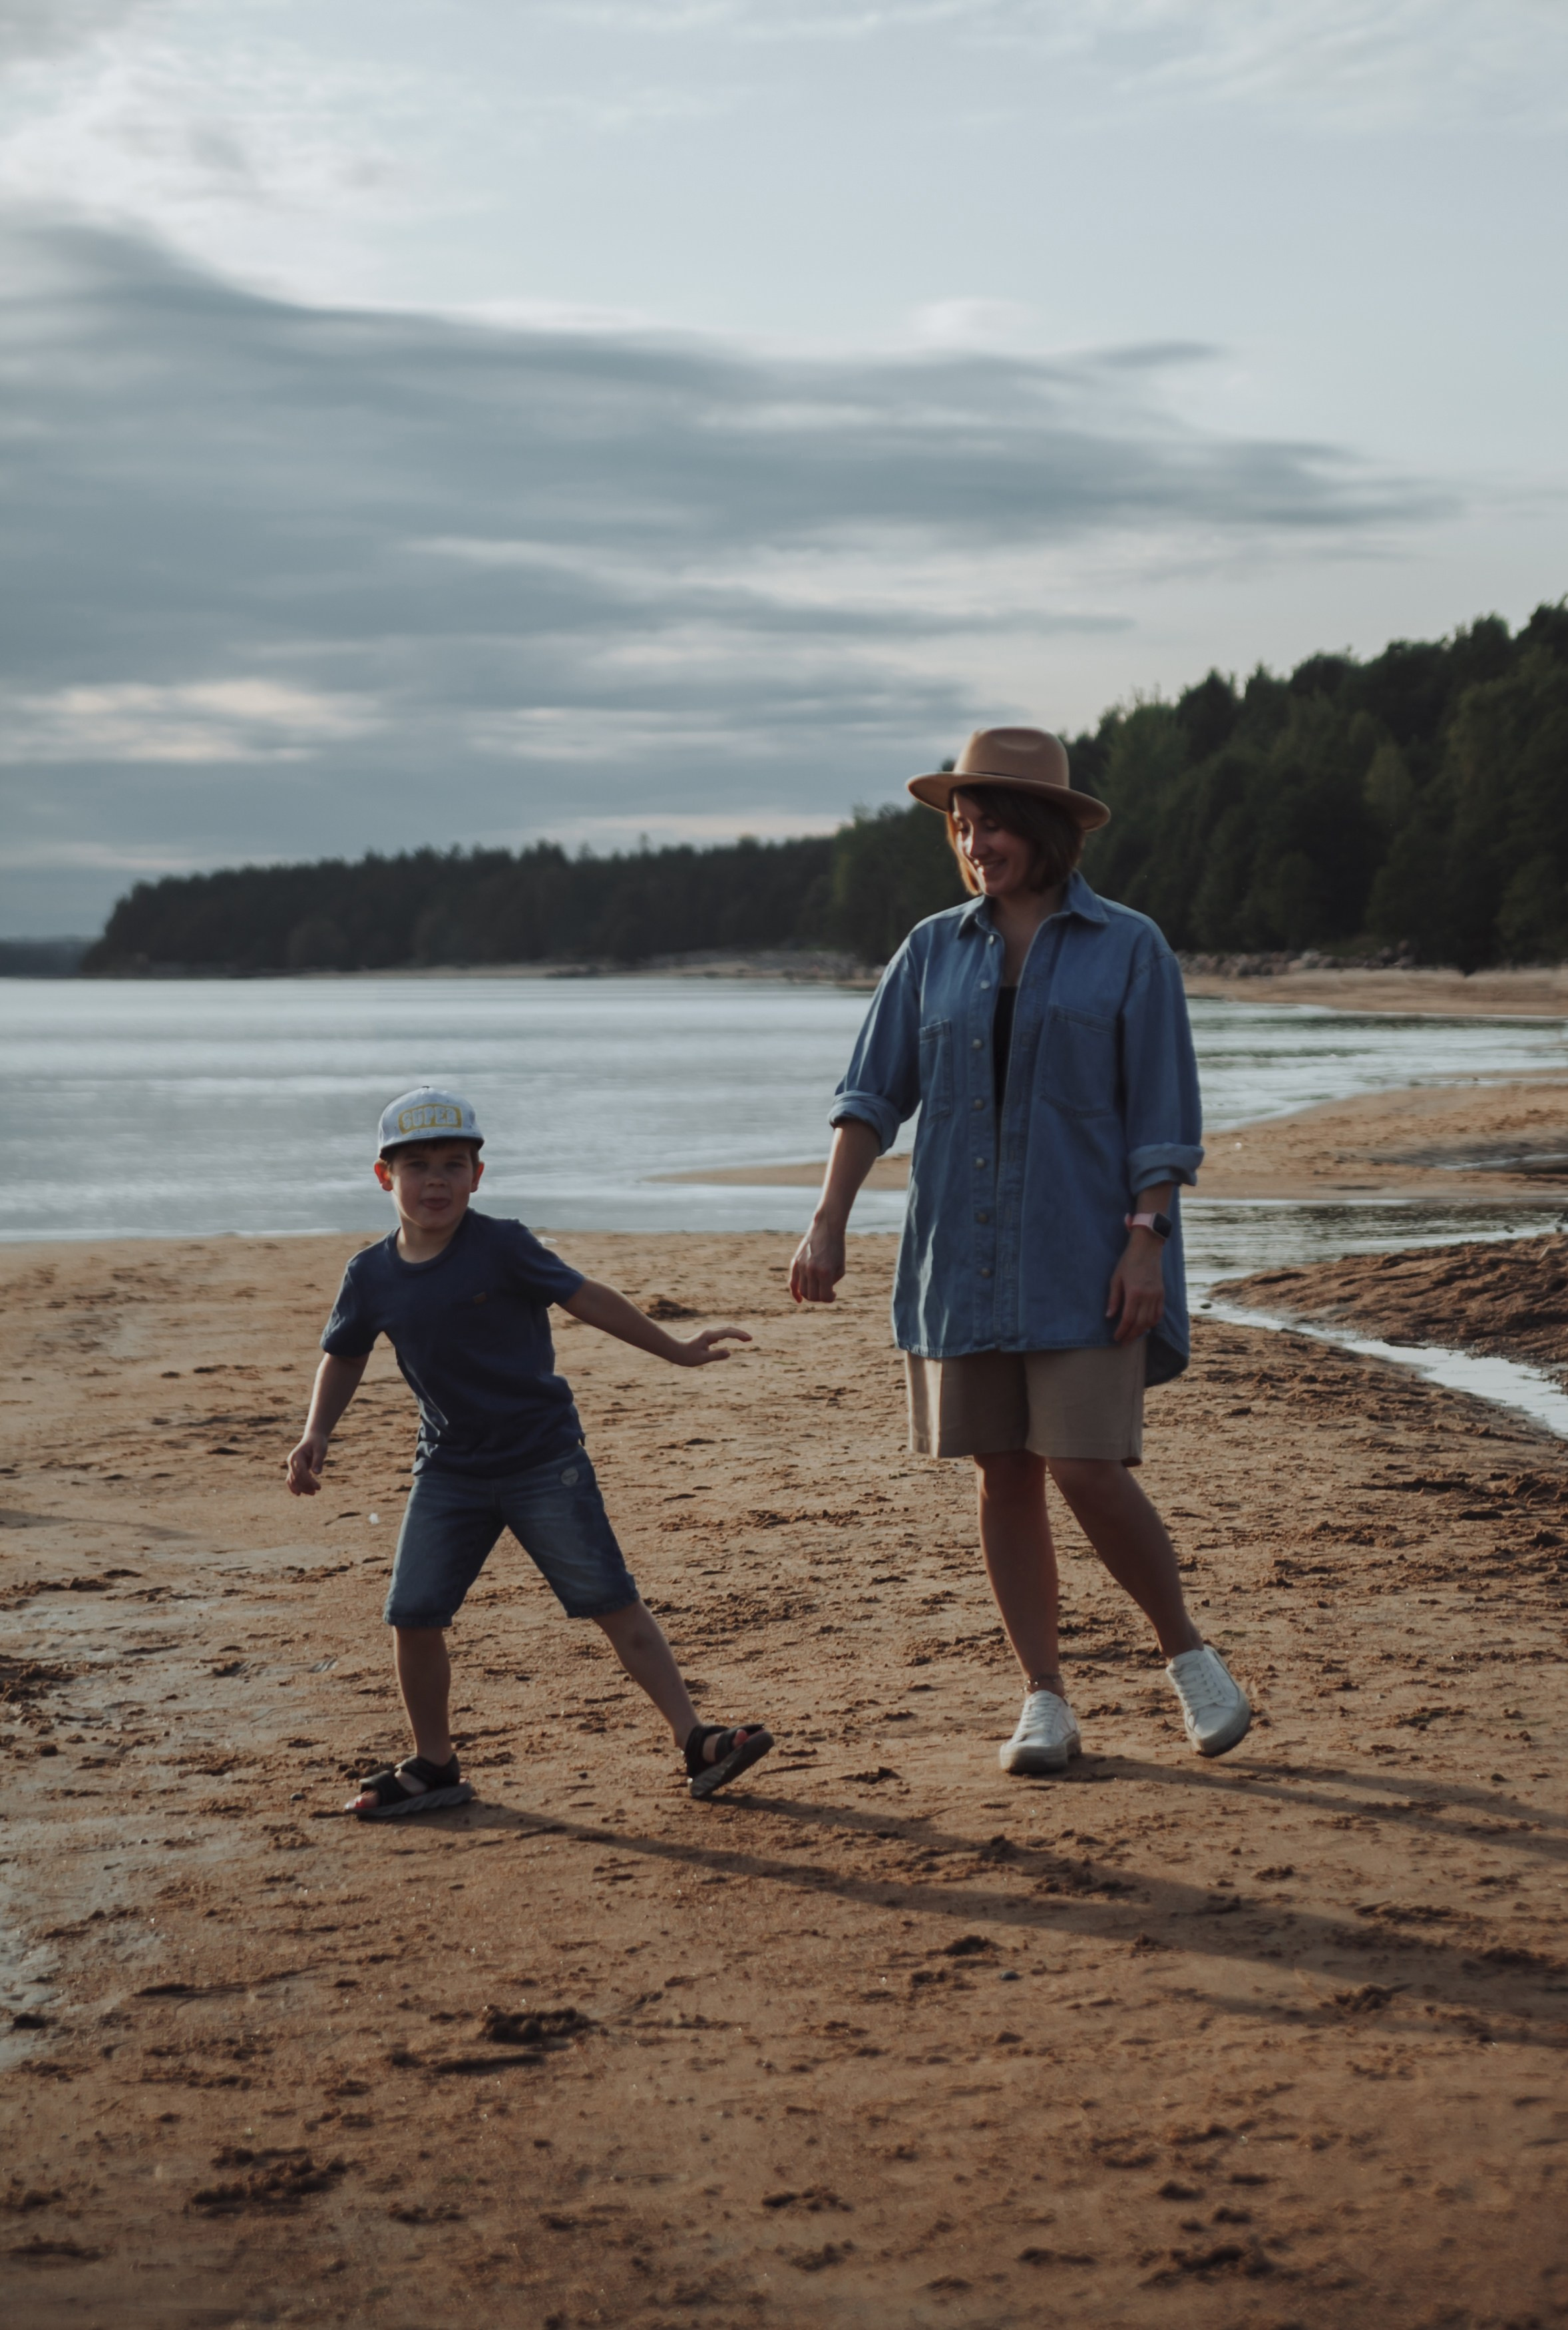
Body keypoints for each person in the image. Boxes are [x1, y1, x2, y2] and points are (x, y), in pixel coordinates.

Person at [789, 728, 1249, 1774]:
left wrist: (1146, 1242)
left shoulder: (1130, 947)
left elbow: (1163, 1119)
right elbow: (869, 1099)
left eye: (991, 823)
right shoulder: (929, 951)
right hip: (963, 1256)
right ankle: (1044, 1697)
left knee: (1087, 1465)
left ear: (1042, 829)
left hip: (1088, 1253)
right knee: (1003, 1471)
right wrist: (828, 1219)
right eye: (961, 827)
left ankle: (1186, 1655)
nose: (974, 842)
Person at [286, 1086, 773, 1818]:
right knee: (413, 1615)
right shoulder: (371, 1274)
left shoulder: (502, 1243)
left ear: (479, 1175)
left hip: (545, 1461)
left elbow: (588, 1298)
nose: (437, 1180)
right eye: (417, 1166)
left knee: (612, 1599)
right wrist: (317, 1429)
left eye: (455, 1163)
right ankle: (433, 1762)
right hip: (448, 1469)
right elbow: (345, 1354)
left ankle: (695, 1736)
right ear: (384, 1177)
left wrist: (676, 1349)